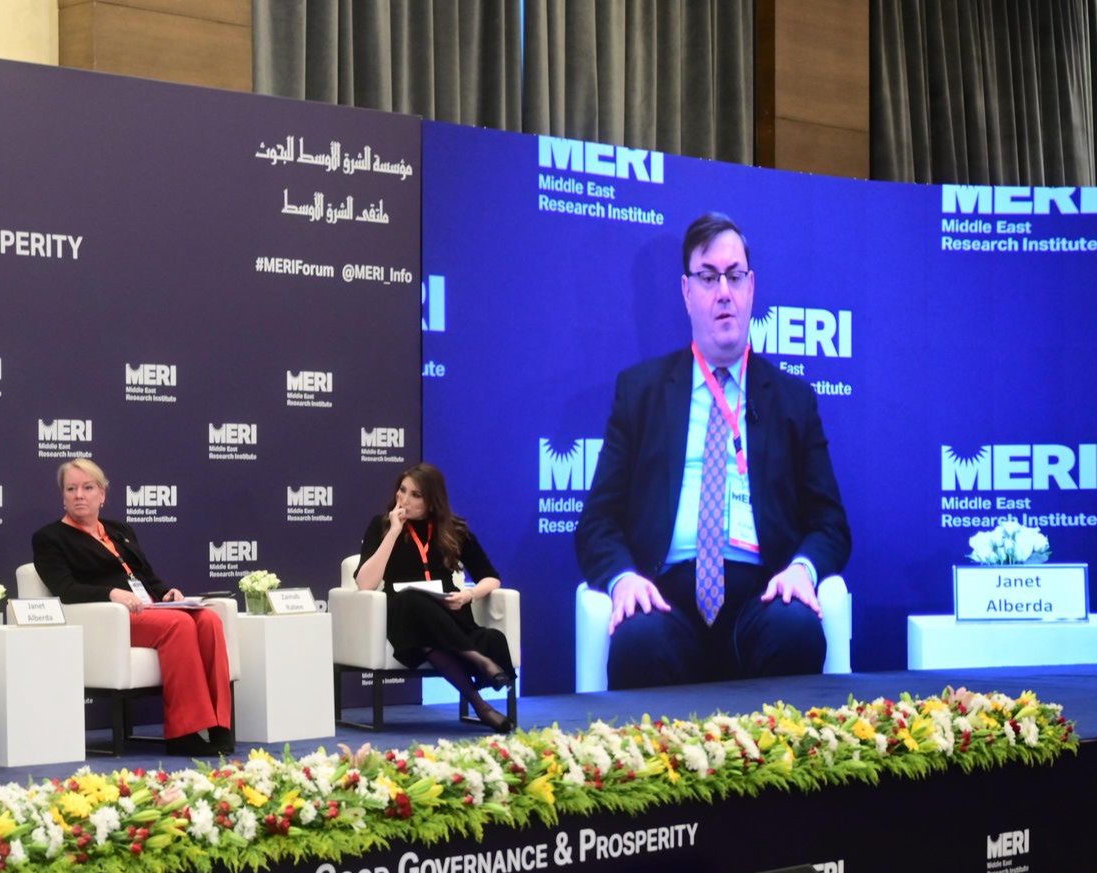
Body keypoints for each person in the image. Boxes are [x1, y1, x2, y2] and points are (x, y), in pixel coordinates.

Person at [576, 211, 851, 689]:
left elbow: (831, 525)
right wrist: (623, 579)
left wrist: (802, 570)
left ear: (751, 288)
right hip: (665, 595)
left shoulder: (793, 400)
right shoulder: (640, 393)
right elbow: (597, 524)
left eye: (734, 275)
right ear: (686, 292)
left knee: (797, 630)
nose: (724, 291)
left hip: (762, 596)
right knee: (639, 640)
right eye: (708, 277)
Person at [31, 458, 232, 757]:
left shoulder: (119, 530)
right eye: (71, 489)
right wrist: (111, 593)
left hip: (148, 609)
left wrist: (167, 594)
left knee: (208, 620)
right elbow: (66, 590)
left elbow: (145, 575)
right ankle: (184, 733)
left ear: (102, 494)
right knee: (179, 625)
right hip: (108, 620)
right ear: (63, 496)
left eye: (87, 488)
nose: (79, 495)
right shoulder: (50, 538)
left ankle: (219, 725)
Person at [354, 463, 515, 733]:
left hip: (448, 612)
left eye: (415, 495)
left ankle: (481, 704)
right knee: (412, 600)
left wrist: (468, 595)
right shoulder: (381, 526)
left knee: (489, 638)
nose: (404, 499)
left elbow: (491, 577)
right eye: (402, 490)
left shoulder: (455, 529)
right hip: (404, 612)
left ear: (432, 502)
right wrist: (394, 531)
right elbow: (365, 584)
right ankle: (479, 668)